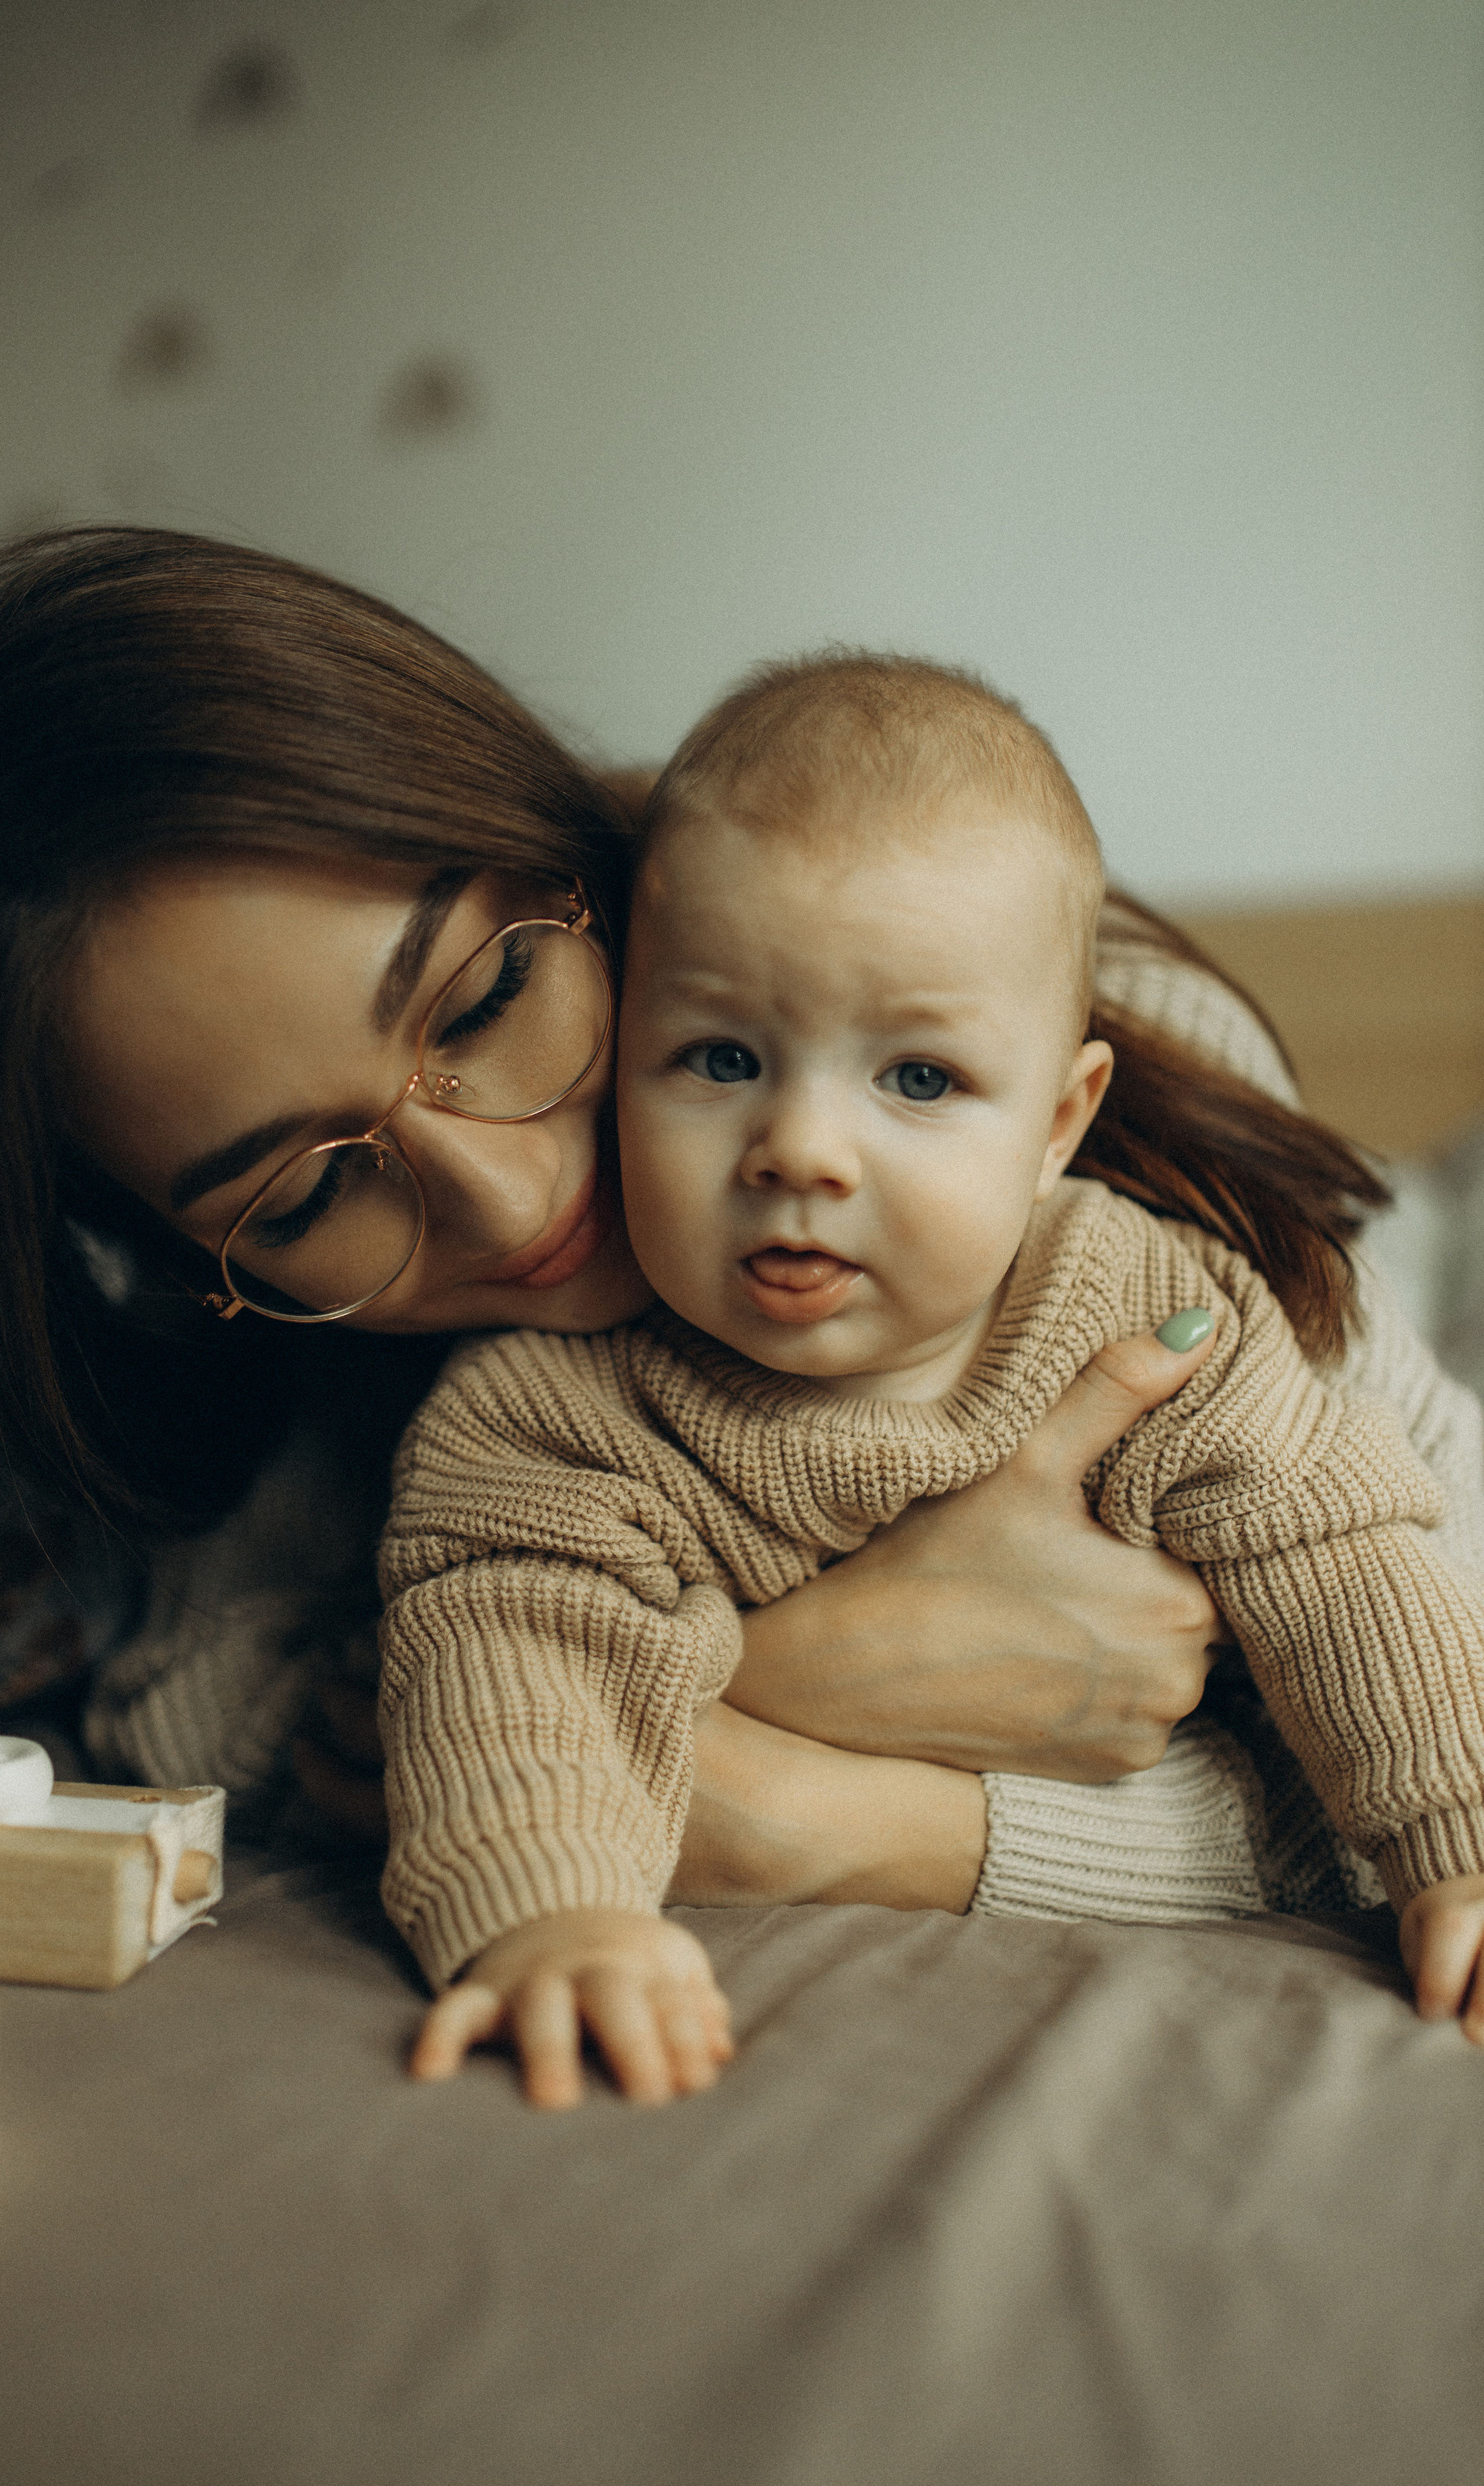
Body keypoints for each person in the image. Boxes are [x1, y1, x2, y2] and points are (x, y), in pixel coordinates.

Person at [0, 530, 1478, 2042]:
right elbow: (228, 1718)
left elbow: (1388, 1659)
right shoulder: (473, 1407)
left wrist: (860, 1814)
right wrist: (779, 1699)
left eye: (487, 999)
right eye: (310, 1188)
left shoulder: (1107, 1139)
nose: (513, 1192)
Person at [378, 653, 1484, 2105]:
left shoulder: (1138, 1306)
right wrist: (549, 1913)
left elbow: (1340, 1563)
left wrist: (1457, 1835)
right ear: (616, 1057)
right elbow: (507, 1660)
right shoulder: (553, 1415)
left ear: (1056, 1122)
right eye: (717, 1057)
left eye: (914, 1081)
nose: (800, 1151)